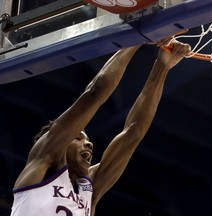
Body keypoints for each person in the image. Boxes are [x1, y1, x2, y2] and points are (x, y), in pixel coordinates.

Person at [10, 38, 191, 216]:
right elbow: (95, 92)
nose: (89, 144)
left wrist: (162, 66)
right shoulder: (44, 159)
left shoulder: (89, 192)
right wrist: (138, 37)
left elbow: (133, 132)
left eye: (87, 140)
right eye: (79, 137)